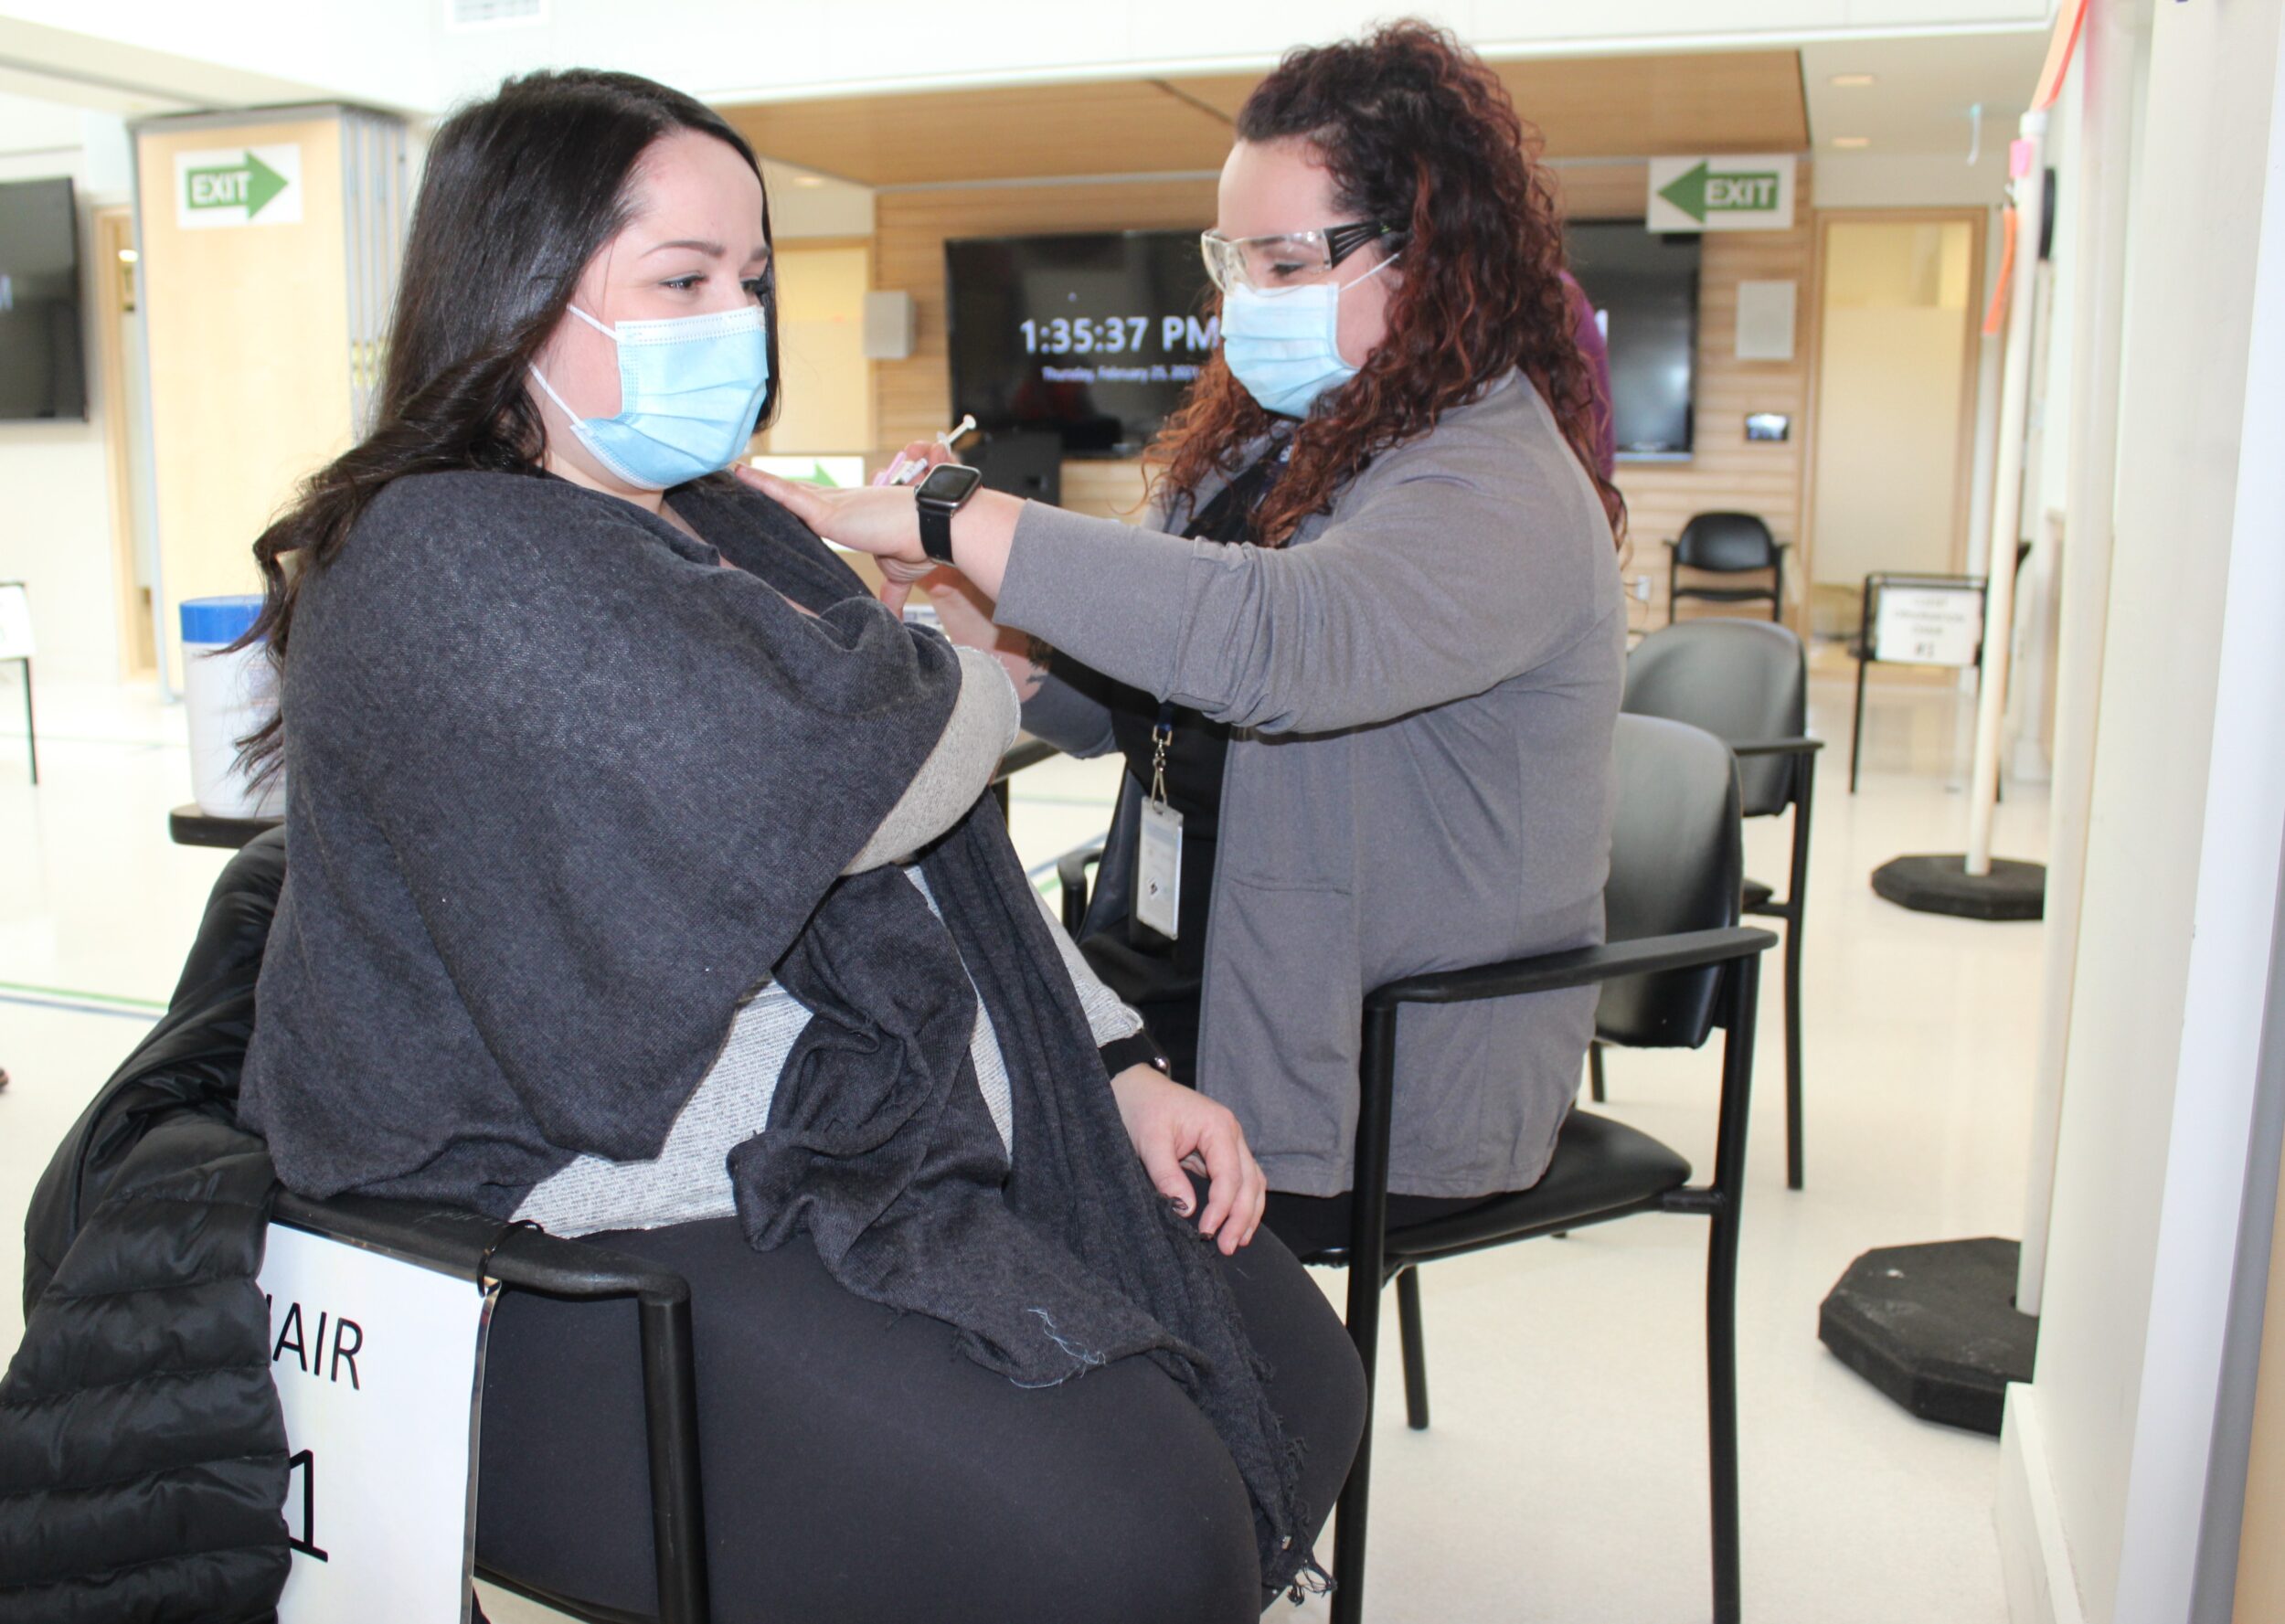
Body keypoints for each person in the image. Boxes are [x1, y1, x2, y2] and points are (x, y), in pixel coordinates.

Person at [231, 69, 1360, 1623]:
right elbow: (869, 777)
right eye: (681, 280)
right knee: (1139, 1542)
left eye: (750, 277)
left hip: (830, 1103)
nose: (733, 317)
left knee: (1295, 1376)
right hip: (577, 1206)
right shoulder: (447, 555)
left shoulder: (718, 519)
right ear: (516, 290)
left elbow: (914, 841)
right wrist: (947, 667)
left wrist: (1103, 1065)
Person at [749, 22, 1627, 1260]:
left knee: (974, 1183)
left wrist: (958, 512)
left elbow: (1275, 645)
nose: (1241, 301)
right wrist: (977, 612)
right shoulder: (1275, 447)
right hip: (1190, 967)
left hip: (1355, 1059)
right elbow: (1135, 704)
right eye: (1232, 261)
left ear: (1426, 257)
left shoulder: (1500, 485)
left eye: (1282, 262)